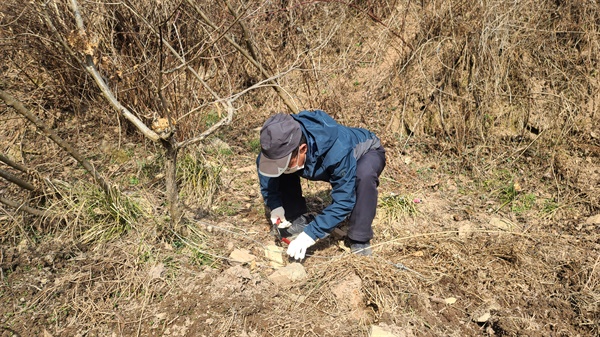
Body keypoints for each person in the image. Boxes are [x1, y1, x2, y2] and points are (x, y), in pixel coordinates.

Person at [257, 109, 386, 260]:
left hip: (366, 153)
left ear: (303, 149)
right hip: (320, 159)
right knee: (283, 169)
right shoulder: (277, 143)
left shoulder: (338, 149)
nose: (280, 166)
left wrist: (310, 235)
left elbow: (344, 201)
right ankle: (295, 217)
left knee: (363, 175)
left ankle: (360, 238)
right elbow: (267, 169)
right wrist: (275, 204)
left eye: (285, 162)